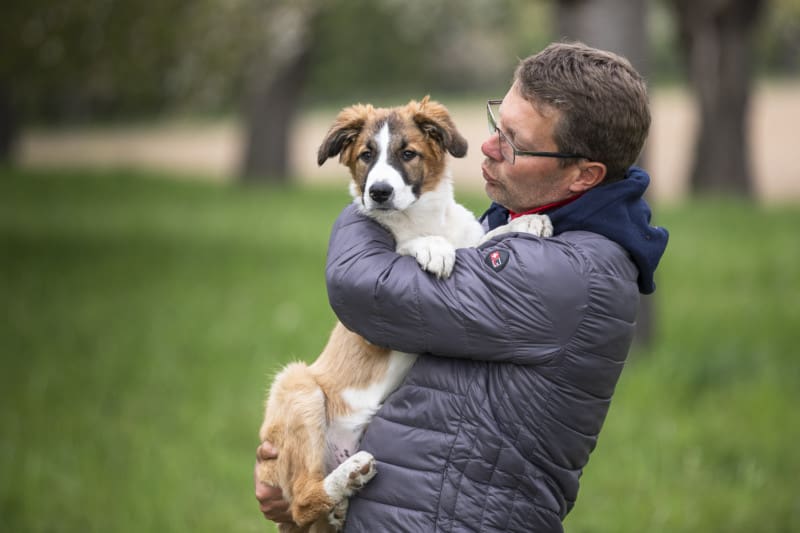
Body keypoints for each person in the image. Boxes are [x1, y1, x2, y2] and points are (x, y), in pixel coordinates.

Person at [255, 41, 669, 532]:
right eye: (498, 123)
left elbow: (363, 286)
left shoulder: (571, 276)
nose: (488, 146)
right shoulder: (515, 225)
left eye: (514, 140)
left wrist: (370, 197)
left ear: (584, 174)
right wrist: (301, 468)